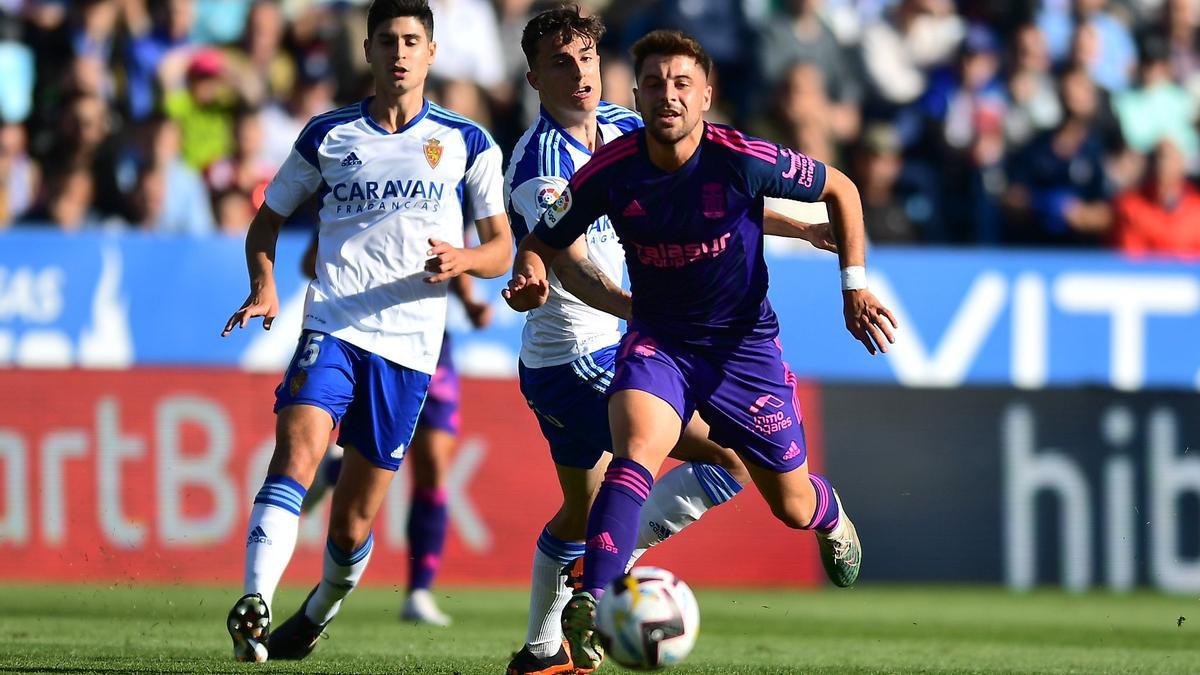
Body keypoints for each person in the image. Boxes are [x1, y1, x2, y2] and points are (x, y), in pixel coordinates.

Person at [505, 30, 895, 671]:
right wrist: (529, 271)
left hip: (744, 351)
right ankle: (596, 599)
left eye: (681, 83)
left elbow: (843, 189)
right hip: (658, 343)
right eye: (655, 83)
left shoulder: (739, 157)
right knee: (635, 454)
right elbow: (547, 237)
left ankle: (828, 510)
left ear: (706, 94)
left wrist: (851, 287)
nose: (668, 95)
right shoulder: (606, 168)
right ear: (639, 93)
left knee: (791, 504)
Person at [219, 0, 512, 662]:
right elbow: (267, 220)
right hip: (333, 324)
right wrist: (265, 286)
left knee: (352, 524)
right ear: (369, 51)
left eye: (412, 40)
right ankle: (255, 600)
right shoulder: (327, 134)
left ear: (431, 53)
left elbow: (500, 247)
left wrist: (466, 261)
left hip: (411, 348)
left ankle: (318, 610)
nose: (400, 52)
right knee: (294, 456)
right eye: (388, 40)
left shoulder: (467, 142)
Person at [298, 233, 493, 627]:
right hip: (366, 336)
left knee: (434, 466)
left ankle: (419, 592)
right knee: (375, 452)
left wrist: (470, 300)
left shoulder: (456, 185)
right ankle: (334, 471)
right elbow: (309, 264)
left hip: (432, 342)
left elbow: (457, 258)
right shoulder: (363, 190)